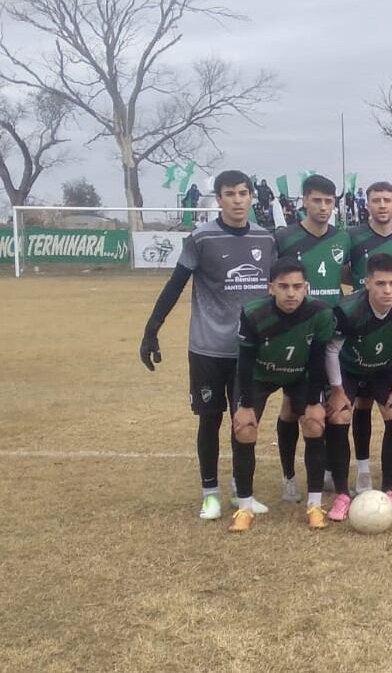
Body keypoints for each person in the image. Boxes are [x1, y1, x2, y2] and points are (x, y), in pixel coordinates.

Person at [139, 170, 276, 522]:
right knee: (210, 420)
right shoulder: (201, 238)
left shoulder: (266, 238)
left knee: (244, 422)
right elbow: (175, 285)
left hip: (248, 351)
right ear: (218, 199)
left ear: (251, 197)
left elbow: (278, 291)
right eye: (229, 194)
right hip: (207, 348)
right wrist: (152, 328)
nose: (237, 199)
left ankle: (242, 494)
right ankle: (210, 494)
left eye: (243, 193)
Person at [231, 258, 335, 531]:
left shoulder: (321, 313)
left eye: (297, 286)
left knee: (314, 424)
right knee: (244, 429)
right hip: (259, 376)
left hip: (300, 374)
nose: (291, 293)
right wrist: (244, 405)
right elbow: (244, 361)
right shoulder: (253, 313)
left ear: (306, 287)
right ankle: (244, 507)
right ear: (270, 288)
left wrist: (314, 402)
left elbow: (317, 361)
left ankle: (314, 505)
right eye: (284, 286)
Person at [325, 254, 392, 519]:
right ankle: (342, 494)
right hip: (349, 369)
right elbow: (331, 351)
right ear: (367, 282)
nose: (388, 290)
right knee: (339, 415)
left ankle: (390, 491)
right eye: (380, 283)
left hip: (383, 369)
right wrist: (337, 391)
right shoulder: (347, 310)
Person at [274, 175, 351, 496]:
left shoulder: (344, 239)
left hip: (333, 336)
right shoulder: (284, 238)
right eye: (316, 200)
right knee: (292, 407)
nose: (323, 207)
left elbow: (354, 273)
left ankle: (331, 471)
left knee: (334, 405)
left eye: (329, 201)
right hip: (298, 335)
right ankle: (289, 476)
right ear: (304, 201)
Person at [346, 182, 392, 493]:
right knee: (360, 404)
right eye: (376, 200)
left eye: (387, 200)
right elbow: (344, 271)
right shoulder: (354, 236)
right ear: (368, 204)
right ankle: (362, 469)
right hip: (363, 322)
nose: (382, 205)